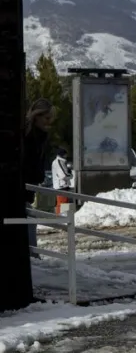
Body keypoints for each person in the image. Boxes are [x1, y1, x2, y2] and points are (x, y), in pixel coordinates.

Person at [24, 99, 55, 251]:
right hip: (23, 190)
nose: (49, 123)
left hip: (29, 189)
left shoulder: (40, 136)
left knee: (30, 221)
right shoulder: (28, 137)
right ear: (37, 116)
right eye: (47, 118)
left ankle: (34, 256)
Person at [52, 147, 73, 214]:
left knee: (63, 203)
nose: (66, 156)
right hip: (61, 186)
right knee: (62, 204)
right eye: (65, 154)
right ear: (62, 154)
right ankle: (61, 219)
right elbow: (63, 175)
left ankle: (62, 219)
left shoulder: (59, 161)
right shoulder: (59, 162)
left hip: (61, 185)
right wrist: (71, 176)